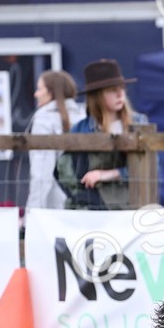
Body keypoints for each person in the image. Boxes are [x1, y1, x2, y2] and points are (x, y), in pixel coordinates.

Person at [56, 59, 148, 210]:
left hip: (132, 208)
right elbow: (66, 172)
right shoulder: (80, 129)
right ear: (97, 96)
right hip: (92, 209)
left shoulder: (139, 123)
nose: (120, 94)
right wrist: (85, 196)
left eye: (122, 88)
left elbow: (149, 167)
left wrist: (107, 174)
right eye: (112, 90)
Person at [26, 70, 83, 214]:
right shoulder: (83, 116)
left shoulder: (44, 119)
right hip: (87, 203)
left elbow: (41, 173)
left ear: (51, 92)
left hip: (56, 209)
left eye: (39, 89)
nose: (36, 94)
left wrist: (31, 215)